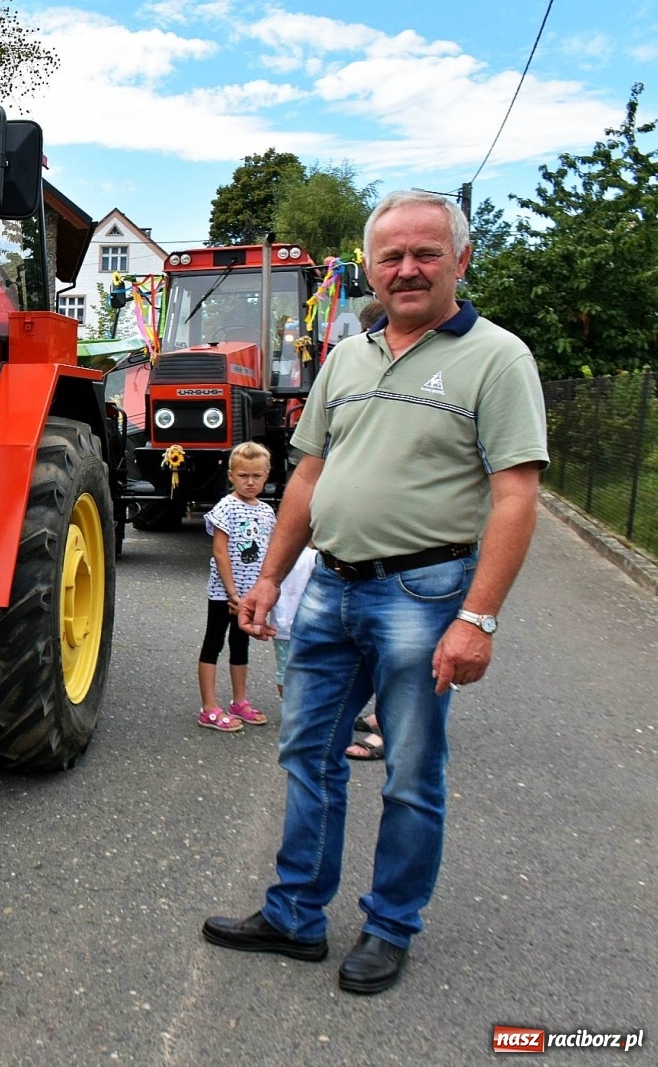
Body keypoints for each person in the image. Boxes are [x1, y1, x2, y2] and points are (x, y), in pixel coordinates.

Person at [201, 189, 549, 995]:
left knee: (409, 771)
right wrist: (271, 578)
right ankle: (295, 915)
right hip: (330, 586)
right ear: (369, 266)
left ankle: (390, 926)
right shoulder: (348, 359)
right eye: (390, 256)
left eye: (426, 252)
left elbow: (516, 495)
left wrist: (477, 617)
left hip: (425, 595)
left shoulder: (497, 357)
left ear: (461, 260)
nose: (407, 268)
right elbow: (308, 476)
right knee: (307, 753)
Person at [196, 442, 277, 732]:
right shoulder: (225, 508)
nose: (250, 482)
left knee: (240, 645)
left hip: (251, 594)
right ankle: (209, 708)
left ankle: (239, 701)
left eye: (256, 476)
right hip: (224, 593)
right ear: (231, 475)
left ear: (267, 475)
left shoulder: (267, 513)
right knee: (213, 643)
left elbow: (269, 554)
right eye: (244, 476)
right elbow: (220, 552)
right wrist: (233, 594)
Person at [269, 544, 319, 705]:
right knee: (311, 666)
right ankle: (307, 706)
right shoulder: (314, 557)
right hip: (308, 622)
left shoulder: (276, 556)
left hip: (281, 622)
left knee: (284, 670)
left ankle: (289, 708)